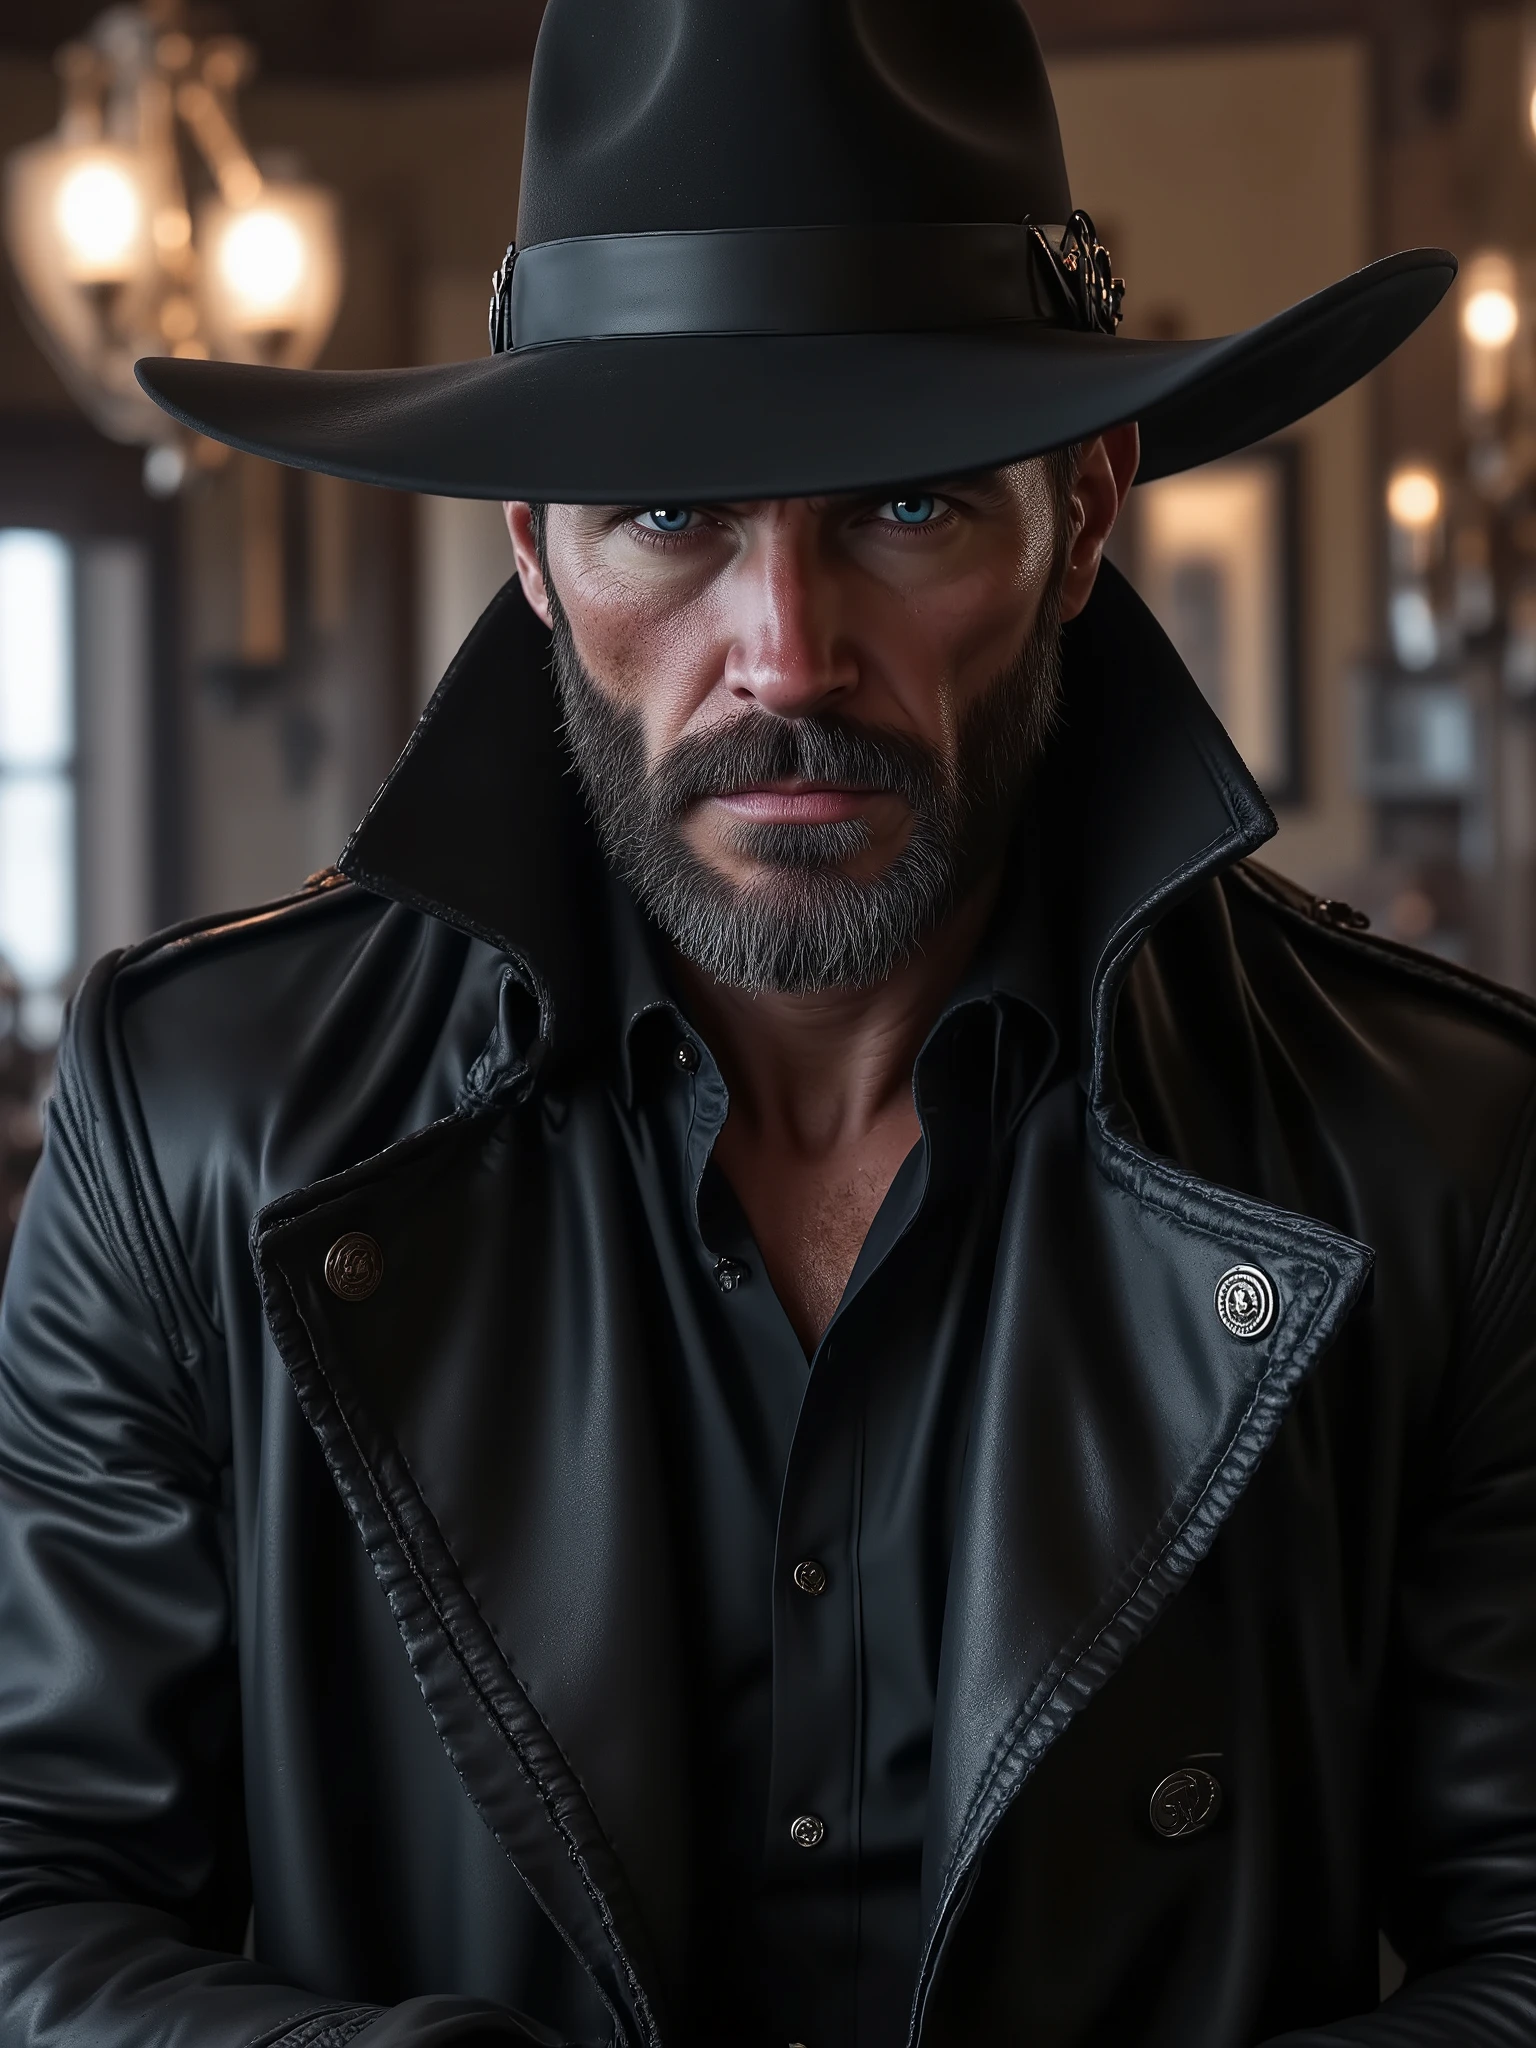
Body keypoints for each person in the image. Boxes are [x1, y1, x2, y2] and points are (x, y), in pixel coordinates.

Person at [0, 1, 1529, 2043]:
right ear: (534, 547)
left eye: (907, 510)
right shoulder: (194, 1117)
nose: (785, 651)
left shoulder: (1434, 1141)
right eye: (672, 515)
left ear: (1082, 513)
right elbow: (33, 1885)